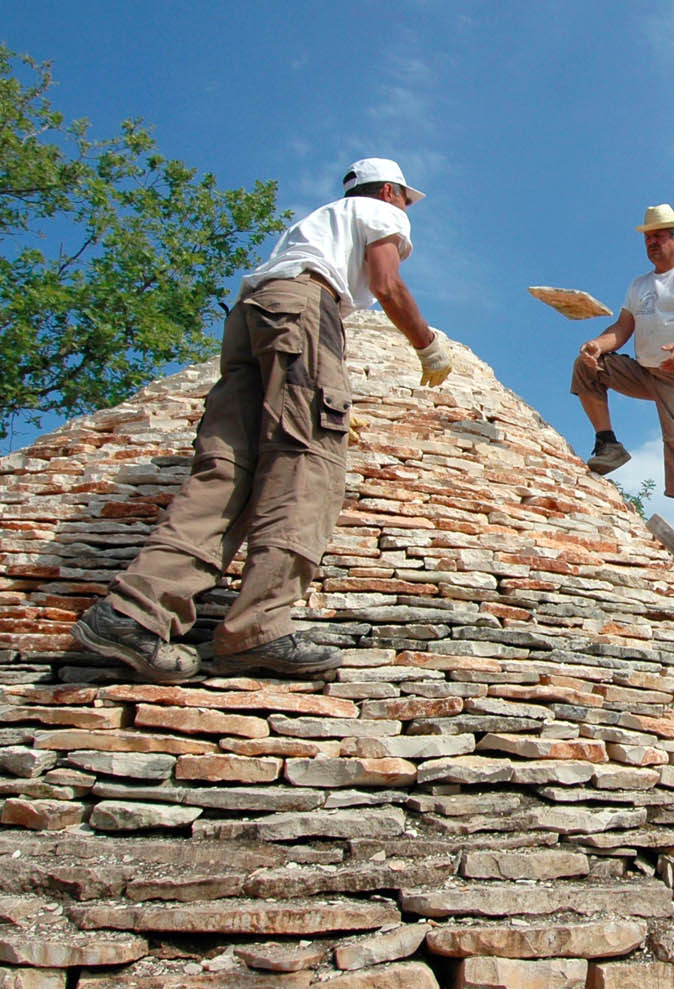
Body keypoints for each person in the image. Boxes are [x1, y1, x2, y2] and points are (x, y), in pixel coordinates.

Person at [73, 156, 453, 681]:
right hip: (303, 311)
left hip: (250, 317)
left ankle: (133, 613)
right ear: (389, 191)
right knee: (305, 462)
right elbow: (388, 284)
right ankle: (259, 629)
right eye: (406, 199)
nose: (408, 208)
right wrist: (426, 344)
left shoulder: (311, 225)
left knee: (227, 468)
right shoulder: (375, 210)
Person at [573, 204, 674, 541]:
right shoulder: (639, 286)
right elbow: (623, 327)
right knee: (586, 367)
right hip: (647, 370)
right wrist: (598, 345)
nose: (652, 243)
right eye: (648, 238)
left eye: (659, 237)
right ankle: (607, 443)